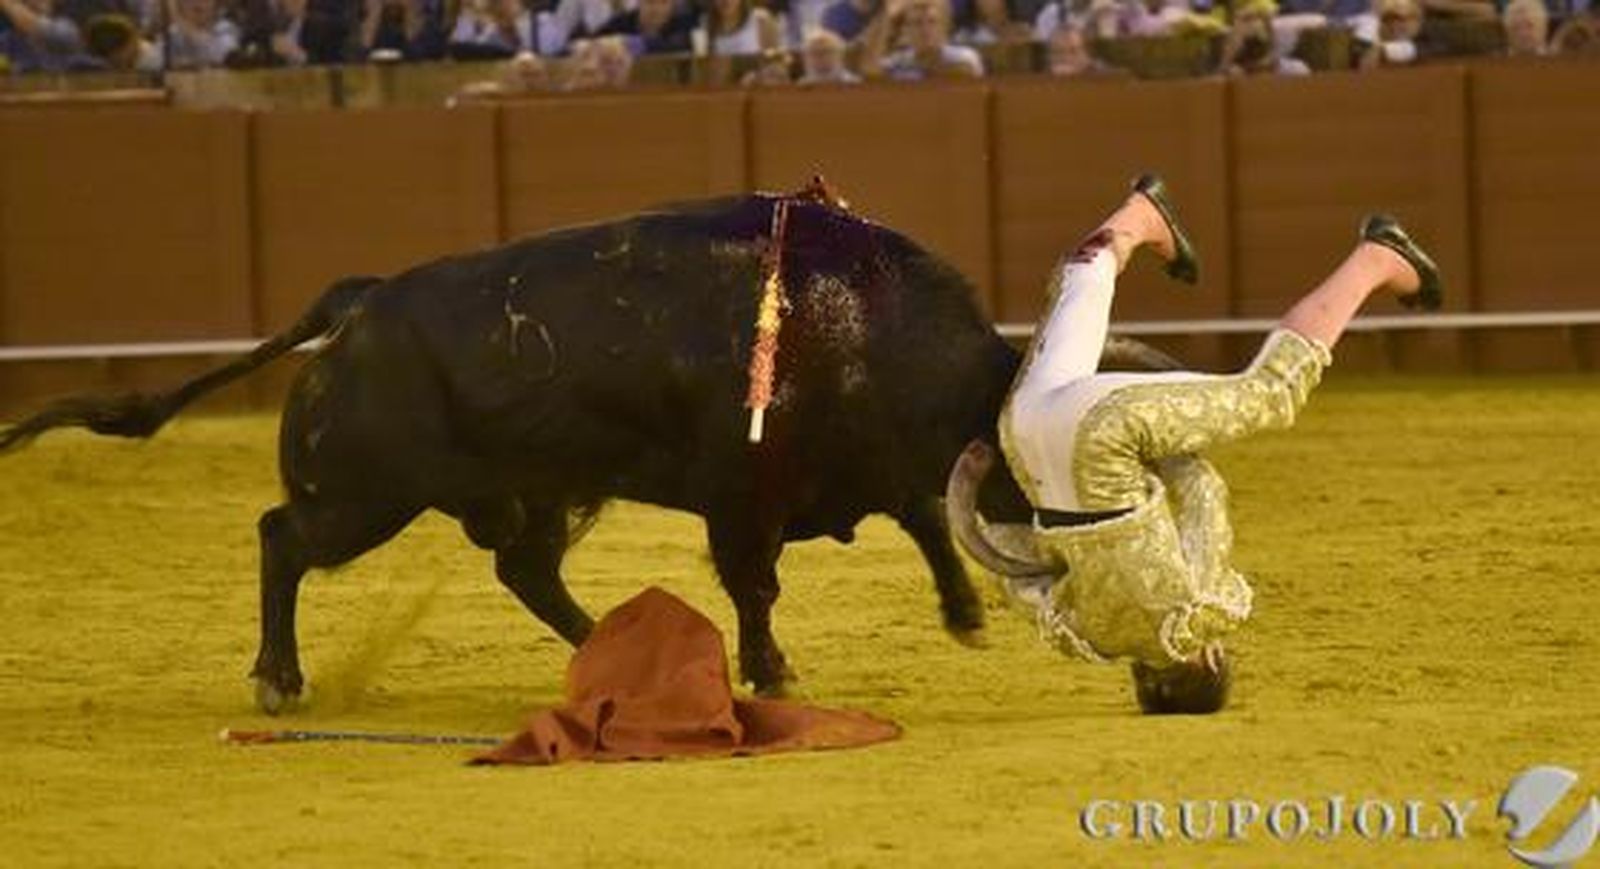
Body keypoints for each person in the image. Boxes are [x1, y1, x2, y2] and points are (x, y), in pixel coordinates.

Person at [953, 175, 1441, 714]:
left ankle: (1378, 257)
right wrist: (974, 484)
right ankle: (1139, 217)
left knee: (1271, 394)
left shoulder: (1196, 616)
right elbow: (1003, 560)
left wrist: (1163, 446)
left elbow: (1202, 490)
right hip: (1025, 435)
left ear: (1208, 661)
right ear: (1139, 678)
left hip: (1106, 438)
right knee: (1082, 303)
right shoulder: (1081, 634)